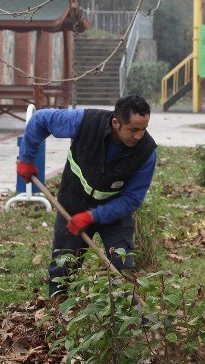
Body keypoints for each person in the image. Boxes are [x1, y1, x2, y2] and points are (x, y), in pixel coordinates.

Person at [16, 95, 157, 297]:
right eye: (133, 129)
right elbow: (41, 120)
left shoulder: (146, 153)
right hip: (72, 205)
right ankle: (59, 314)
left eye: (143, 129)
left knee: (123, 268)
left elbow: (132, 200)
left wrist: (93, 217)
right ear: (116, 122)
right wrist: (26, 158)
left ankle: (132, 321)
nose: (139, 136)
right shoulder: (86, 122)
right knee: (63, 267)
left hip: (114, 213)